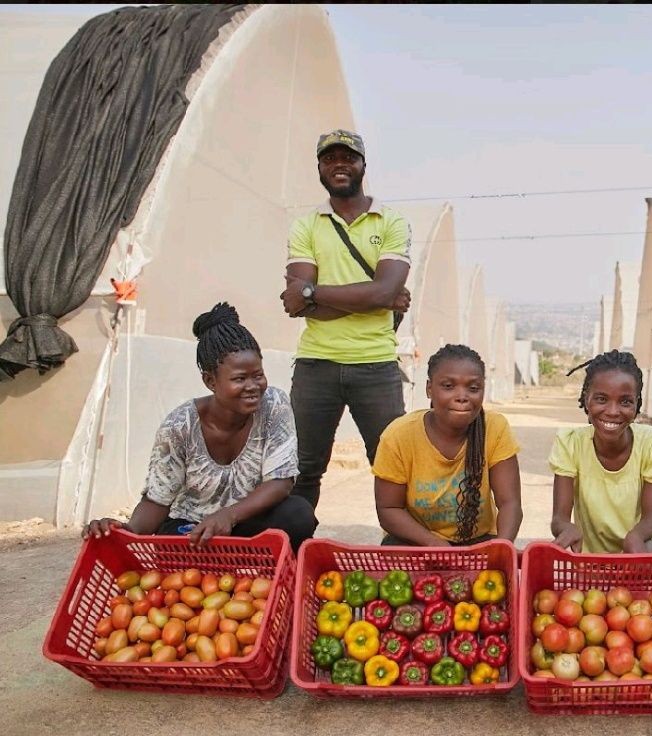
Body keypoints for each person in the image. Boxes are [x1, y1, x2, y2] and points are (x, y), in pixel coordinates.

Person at [82, 303, 317, 551]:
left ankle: (268, 575)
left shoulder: (274, 406)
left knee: (297, 513)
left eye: (257, 375)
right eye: (239, 379)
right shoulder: (179, 426)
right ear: (210, 381)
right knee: (171, 546)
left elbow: (280, 482)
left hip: (246, 522)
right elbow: (157, 500)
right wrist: (126, 531)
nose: (253, 386)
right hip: (194, 529)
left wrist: (228, 515)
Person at [280, 129, 412, 510]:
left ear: (362, 165)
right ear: (319, 168)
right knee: (302, 470)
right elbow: (294, 304)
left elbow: (386, 292)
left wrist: (312, 292)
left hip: (375, 364)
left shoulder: (391, 222)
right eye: (329, 158)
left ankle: (400, 551)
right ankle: (296, 551)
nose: (339, 164)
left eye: (348, 157)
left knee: (392, 468)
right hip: (316, 363)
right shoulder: (306, 226)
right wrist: (374, 298)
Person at [372, 344, 523, 546]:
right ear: (429, 389)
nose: (462, 396)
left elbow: (509, 503)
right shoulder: (398, 436)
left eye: (473, 388)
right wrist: (436, 545)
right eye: (448, 386)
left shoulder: (495, 428)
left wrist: (500, 548)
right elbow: (389, 509)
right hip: (416, 541)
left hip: (480, 541)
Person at [550, 350, 652, 554]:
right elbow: (559, 518)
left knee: (647, 549)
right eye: (602, 399)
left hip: (647, 548)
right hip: (597, 561)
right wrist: (566, 528)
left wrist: (635, 538)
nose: (613, 411)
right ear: (587, 399)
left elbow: (650, 520)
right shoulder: (570, 444)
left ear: (637, 404)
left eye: (625, 402)